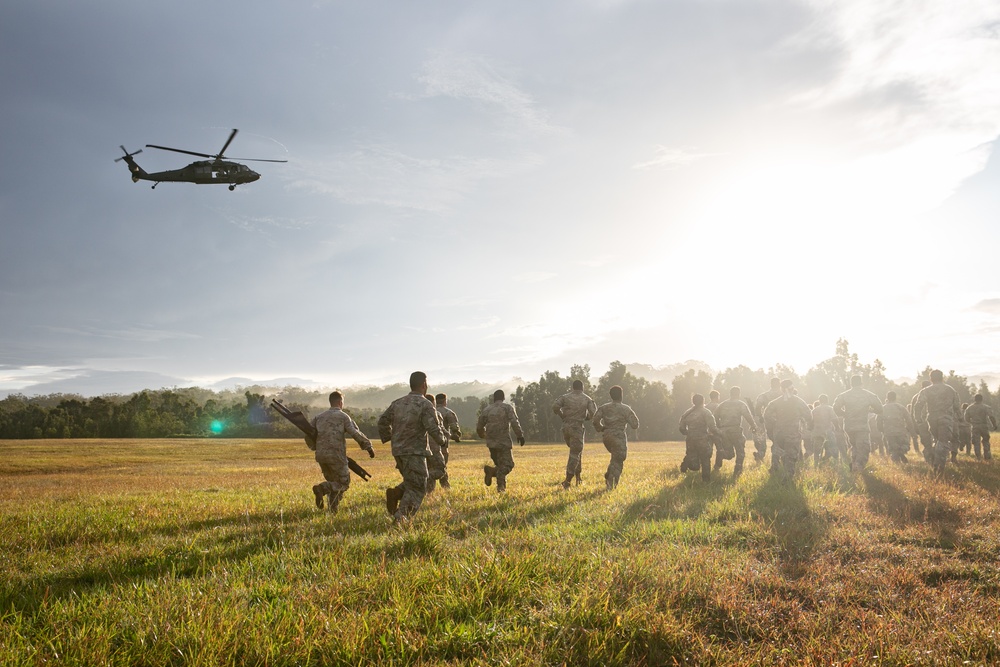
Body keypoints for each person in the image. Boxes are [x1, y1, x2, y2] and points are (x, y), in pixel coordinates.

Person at [377, 372, 449, 522]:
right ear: (424, 385)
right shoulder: (425, 404)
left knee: (412, 481)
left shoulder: (398, 403)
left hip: (398, 451)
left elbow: (382, 422)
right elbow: (433, 428)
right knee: (418, 487)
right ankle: (401, 519)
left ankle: (396, 493)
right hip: (415, 451)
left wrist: (392, 437)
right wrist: (442, 441)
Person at [309, 391, 375, 513]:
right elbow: (355, 432)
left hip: (321, 456)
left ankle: (333, 511)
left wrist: (314, 447)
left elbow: (308, 434)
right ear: (340, 403)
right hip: (336, 456)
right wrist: (368, 446)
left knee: (333, 483)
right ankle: (321, 488)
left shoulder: (318, 417)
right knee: (343, 483)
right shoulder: (343, 416)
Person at [912, 370, 961, 473]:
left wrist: (918, 418)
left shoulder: (926, 390)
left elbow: (918, 405)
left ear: (931, 379)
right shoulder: (950, 390)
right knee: (943, 442)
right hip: (946, 418)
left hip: (932, 419)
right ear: (942, 377)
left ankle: (935, 462)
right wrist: (960, 417)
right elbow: (957, 406)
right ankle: (938, 467)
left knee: (937, 440)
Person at [552, 380, 598, 489]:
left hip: (566, 428)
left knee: (577, 452)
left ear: (573, 387)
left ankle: (578, 477)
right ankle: (567, 481)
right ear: (582, 388)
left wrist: (562, 415)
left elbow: (555, 406)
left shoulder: (565, 397)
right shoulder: (587, 399)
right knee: (575, 453)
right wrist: (586, 418)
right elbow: (593, 413)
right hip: (577, 427)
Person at [592, 385, 640, 489]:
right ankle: (611, 485)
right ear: (621, 395)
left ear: (611, 396)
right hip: (618, 436)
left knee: (615, 457)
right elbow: (635, 424)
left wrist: (601, 428)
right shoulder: (625, 409)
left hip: (607, 436)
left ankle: (609, 473)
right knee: (618, 459)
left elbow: (595, 420)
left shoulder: (604, 407)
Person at [762, 379, 813, 477]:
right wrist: (804, 421)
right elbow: (809, 416)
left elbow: (766, 415)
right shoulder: (798, 401)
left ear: (781, 389)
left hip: (779, 433)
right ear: (792, 389)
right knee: (791, 456)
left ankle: (774, 470)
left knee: (778, 451)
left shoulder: (776, 402)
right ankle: (787, 478)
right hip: (792, 434)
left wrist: (775, 423)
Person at [477, 389, 525, 492]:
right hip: (503, 442)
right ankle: (498, 484)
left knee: (500, 465)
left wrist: (484, 436)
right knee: (508, 465)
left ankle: (500, 486)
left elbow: (479, 426)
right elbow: (514, 422)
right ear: (503, 398)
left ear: (494, 398)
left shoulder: (487, 409)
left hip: (491, 443)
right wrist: (520, 435)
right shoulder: (507, 408)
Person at [833, 375, 884, 471]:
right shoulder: (868, 395)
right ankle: (858, 466)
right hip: (862, 426)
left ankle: (854, 466)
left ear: (851, 384)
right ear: (861, 383)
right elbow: (880, 409)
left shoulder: (844, 395)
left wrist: (844, 414)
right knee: (864, 448)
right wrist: (870, 410)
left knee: (855, 446)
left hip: (849, 426)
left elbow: (835, 408)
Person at [713, 387, 757, 477]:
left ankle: (721, 454)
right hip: (735, 431)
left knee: (729, 454)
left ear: (730, 394)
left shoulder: (722, 404)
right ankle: (737, 472)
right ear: (738, 394)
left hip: (724, 432)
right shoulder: (740, 404)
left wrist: (719, 426)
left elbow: (714, 416)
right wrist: (753, 426)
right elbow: (747, 416)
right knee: (740, 452)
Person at [678, 394, 721, 482]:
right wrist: (720, 433)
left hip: (690, 440)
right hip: (703, 440)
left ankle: (686, 464)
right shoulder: (706, 412)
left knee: (693, 460)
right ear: (703, 401)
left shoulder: (687, 413)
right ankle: (706, 481)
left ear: (693, 401)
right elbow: (712, 427)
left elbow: (681, 428)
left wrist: (689, 433)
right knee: (705, 459)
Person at [430, 393, 462, 489]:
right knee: (441, 467)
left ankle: (430, 490)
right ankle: (445, 487)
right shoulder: (448, 413)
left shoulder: (430, 411)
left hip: (427, 445)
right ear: (445, 401)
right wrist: (456, 436)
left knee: (430, 467)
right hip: (442, 445)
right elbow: (454, 428)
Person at [878, 391, 917, 464]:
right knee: (905, 446)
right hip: (901, 431)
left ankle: (897, 463)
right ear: (895, 397)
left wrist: (881, 430)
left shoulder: (883, 408)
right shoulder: (900, 407)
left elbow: (878, 420)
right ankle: (901, 453)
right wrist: (911, 431)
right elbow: (908, 419)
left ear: (887, 398)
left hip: (889, 432)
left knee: (893, 448)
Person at [423, 394, 450, 494]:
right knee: (440, 470)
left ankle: (429, 493)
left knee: (429, 468)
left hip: (421, 448)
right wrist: (445, 441)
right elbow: (440, 430)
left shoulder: (416, 413)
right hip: (434, 447)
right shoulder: (436, 414)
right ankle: (425, 477)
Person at [753, 378, 783, 464]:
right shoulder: (783, 394)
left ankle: (760, 454)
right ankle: (777, 461)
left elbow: (757, 408)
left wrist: (760, 417)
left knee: (763, 440)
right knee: (778, 441)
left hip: (767, 421)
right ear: (779, 384)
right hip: (780, 422)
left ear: (771, 384)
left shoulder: (764, 395)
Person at [965, 394, 998, 460]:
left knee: (976, 442)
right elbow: (991, 416)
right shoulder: (985, 407)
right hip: (984, 426)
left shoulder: (969, 408)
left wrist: (972, 423)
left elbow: (966, 418)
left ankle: (978, 457)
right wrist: (994, 425)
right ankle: (987, 457)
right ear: (982, 399)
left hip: (975, 427)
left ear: (974, 399)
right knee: (986, 441)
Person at [809, 395, 838, 464]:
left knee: (817, 450)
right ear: (827, 400)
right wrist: (837, 428)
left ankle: (816, 464)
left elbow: (810, 422)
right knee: (832, 449)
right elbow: (834, 419)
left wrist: (811, 430)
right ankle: (824, 461)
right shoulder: (830, 409)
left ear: (819, 401)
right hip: (827, 432)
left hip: (817, 432)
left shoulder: (814, 410)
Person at [910, 380, 933, 461]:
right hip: (932, 421)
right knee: (934, 441)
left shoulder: (915, 397)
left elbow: (912, 413)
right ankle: (932, 458)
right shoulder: (934, 395)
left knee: (926, 442)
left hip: (921, 423)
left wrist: (914, 425)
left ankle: (929, 459)